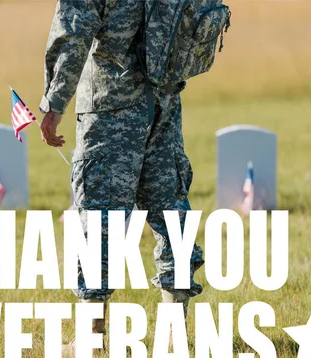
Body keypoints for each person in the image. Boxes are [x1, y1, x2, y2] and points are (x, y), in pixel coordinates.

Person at [39, 0, 204, 338]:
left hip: (109, 108)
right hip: (164, 103)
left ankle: (93, 340)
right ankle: (175, 336)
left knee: (100, 218)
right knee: (171, 210)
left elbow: (73, 32)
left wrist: (54, 104)